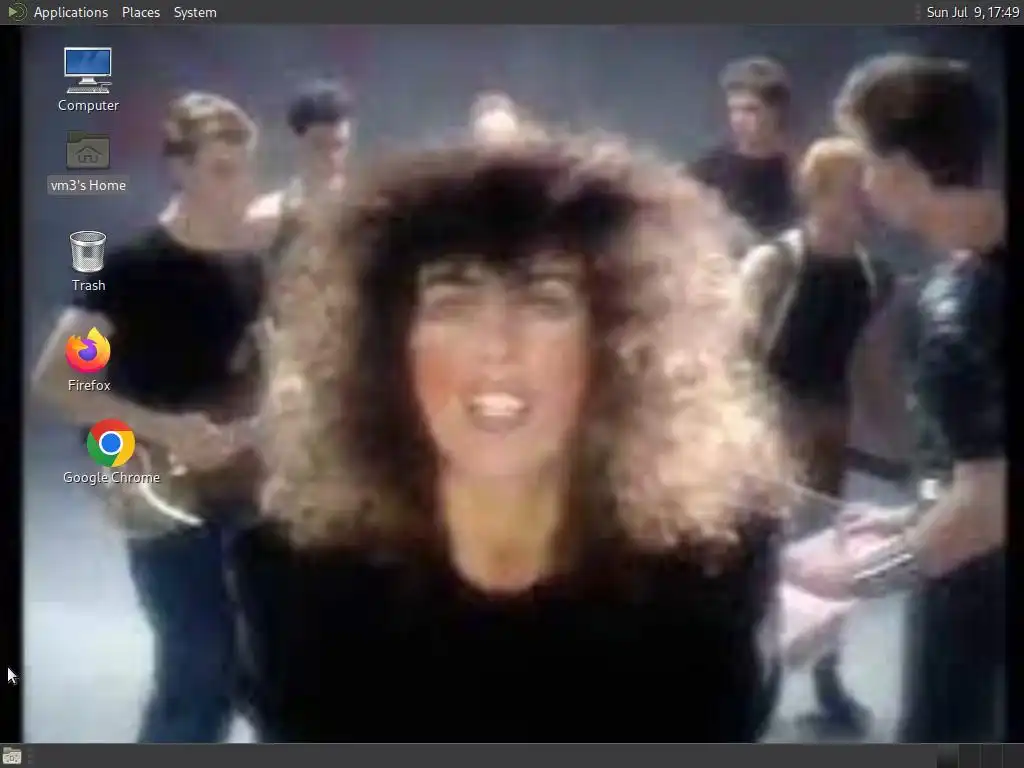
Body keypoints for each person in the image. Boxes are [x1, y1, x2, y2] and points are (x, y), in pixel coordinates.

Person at [230, 131, 795, 741]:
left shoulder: (712, 576)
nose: (497, 345)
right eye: (453, 304)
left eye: (544, 302)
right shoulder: (294, 581)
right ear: (388, 349)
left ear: (618, 343)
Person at [32, 92, 268, 742]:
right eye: (221, 170)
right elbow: (57, 381)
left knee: (259, 669)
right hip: (161, 495)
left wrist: (258, 425)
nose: (240, 187)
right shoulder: (129, 270)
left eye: (245, 168)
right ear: (180, 168)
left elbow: (260, 368)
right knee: (197, 668)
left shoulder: (247, 266)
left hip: (245, 490)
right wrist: (164, 430)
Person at [784, 54, 1006, 742]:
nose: (862, 184)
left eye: (867, 162)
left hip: (983, 606)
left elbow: (985, 510)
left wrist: (855, 577)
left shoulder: (965, 308)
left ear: (904, 170)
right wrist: (912, 515)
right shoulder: (967, 279)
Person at [740, 136, 896, 736]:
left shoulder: (872, 274)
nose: (867, 203)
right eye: (856, 191)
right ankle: (749, 679)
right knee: (753, 558)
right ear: (821, 194)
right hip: (768, 427)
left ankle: (828, 681)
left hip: (830, 427)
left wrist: (898, 442)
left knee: (828, 557)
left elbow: (867, 365)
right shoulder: (775, 263)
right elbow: (729, 353)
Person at [247, 79, 355, 268]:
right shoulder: (265, 217)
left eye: (339, 145)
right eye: (319, 145)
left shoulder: (368, 213)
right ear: (297, 143)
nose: (331, 157)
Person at [691, 57, 799, 242]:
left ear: (776, 112)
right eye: (734, 110)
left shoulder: (799, 174)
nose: (738, 120)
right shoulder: (707, 171)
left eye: (750, 110)